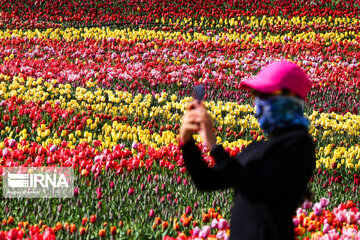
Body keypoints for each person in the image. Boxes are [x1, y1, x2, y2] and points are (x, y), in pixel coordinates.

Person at [179, 60, 316, 240]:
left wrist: (213, 146)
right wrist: (187, 142)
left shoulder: (299, 146)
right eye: (255, 96)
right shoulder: (257, 148)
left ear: (288, 99)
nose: (257, 104)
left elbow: (256, 189)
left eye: (263, 96)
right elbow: (207, 181)